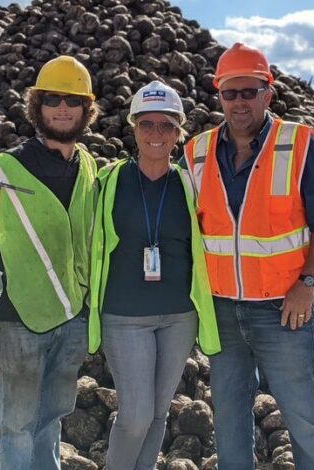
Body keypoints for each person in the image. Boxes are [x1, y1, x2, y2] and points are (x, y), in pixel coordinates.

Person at [182, 43, 314, 469]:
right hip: (222, 309)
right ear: (218, 94)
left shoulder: (297, 144)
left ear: (267, 93)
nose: (239, 102)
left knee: (305, 420)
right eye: (230, 93)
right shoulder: (196, 152)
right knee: (229, 418)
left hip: (284, 309)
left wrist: (307, 285)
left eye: (249, 92)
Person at [0, 55, 98, 470]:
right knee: (16, 425)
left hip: (72, 317)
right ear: (38, 107)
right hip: (18, 322)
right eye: (52, 99)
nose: (62, 108)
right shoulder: (7, 170)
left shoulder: (89, 167)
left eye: (72, 100)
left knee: (51, 420)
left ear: (87, 108)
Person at [88, 80, 221, 470]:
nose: (156, 134)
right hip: (124, 317)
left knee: (160, 413)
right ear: (134, 128)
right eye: (148, 124)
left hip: (179, 315)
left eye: (166, 126)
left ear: (179, 132)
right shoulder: (109, 181)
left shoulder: (191, 184)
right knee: (136, 415)